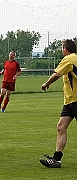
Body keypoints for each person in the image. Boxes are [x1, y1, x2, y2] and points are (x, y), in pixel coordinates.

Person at [40, 39, 77, 168]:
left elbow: (56, 74)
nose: (62, 50)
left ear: (65, 49)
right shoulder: (74, 59)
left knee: (61, 128)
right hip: (70, 101)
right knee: (61, 127)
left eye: (62, 48)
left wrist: (46, 84)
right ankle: (56, 160)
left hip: (76, 101)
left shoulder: (69, 59)